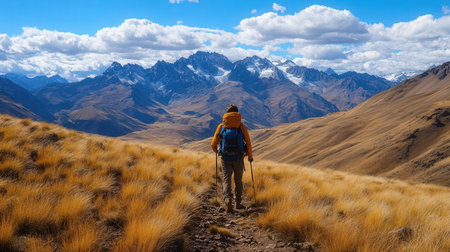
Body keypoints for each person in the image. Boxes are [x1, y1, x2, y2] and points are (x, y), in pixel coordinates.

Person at [211, 104, 253, 212]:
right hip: (239, 158)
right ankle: (238, 203)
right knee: (238, 180)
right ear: (237, 113)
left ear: (227, 114)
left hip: (225, 158)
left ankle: (228, 200)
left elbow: (213, 144)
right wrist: (250, 157)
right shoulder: (241, 126)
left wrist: (219, 152)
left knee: (226, 180)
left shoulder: (221, 127)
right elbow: (248, 143)